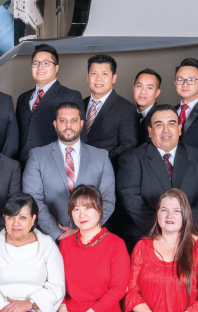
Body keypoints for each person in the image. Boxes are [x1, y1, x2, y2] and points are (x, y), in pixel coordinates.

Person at [117, 105, 198, 242]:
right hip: (146, 235)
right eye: (159, 125)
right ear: (150, 131)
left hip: (190, 236)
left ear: (179, 129)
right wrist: (161, 230)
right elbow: (131, 199)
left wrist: (184, 228)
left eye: (171, 124)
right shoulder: (131, 159)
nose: (166, 130)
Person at [24, 102, 116, 241]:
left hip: (91, 238)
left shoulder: (101, 157)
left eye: (74, 120)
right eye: (63, 120)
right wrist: (58, 233)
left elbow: (108, 200)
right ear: (55, 124)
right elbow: (33, 199)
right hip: (51, 240)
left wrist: (86, 230)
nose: (68, 125)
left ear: (81, 124)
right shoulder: (37, 156)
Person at [17, 44, 84, 163]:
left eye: (46, 63)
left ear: (56, 68)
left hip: (54, 164)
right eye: (36, 63)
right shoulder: (22, 98)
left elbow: (81, 136)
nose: (40, 67)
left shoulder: (70, 95)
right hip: (23, 164)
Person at [81, 54, 138, 162]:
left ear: (114, 78)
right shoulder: (79, 104)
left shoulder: (127, 108)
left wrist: (102, 162)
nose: (98, 78)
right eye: (94, 73)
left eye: (104, 74)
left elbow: (128, 144)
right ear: (88, 77)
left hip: (108, 170)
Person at [131, 69, 162, 146]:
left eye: (149, 88)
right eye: (139, 86)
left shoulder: (161, 117)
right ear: (133, 88)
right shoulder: (126, 113)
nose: (143, 91)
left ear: (157, 93)